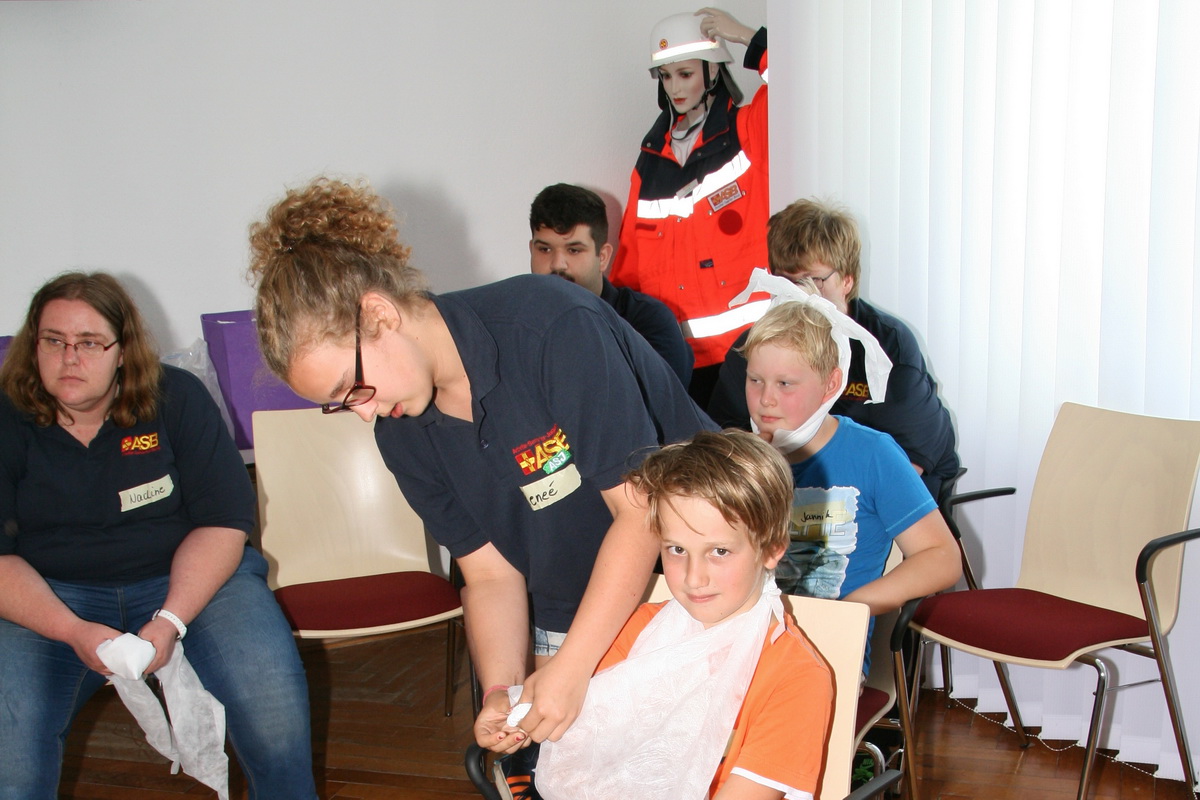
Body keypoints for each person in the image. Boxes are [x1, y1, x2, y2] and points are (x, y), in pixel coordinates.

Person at [246, 176, 715, 755]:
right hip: (572, 601)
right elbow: (490, 574)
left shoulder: (549, 327)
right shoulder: (401, 431)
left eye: (354, 388)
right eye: (343, 406)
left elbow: (640, 511)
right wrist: (502, 688)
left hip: (704, 575)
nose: (364, 415)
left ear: (379, 314)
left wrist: (569, 669)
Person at [0, 272, 317, 800]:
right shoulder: (6, 417)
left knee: (275, 712)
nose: (68, 358)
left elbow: (222, 523)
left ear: (123, 350)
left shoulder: (177, 398)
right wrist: (73, 629)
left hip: (192, 579)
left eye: (89, 343)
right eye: (52, 341)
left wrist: (170, 620)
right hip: (48, 592)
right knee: (12, 757)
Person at [528, 429, 833, 800]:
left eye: (719, 551)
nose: (693, 577)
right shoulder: (637, 629)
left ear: (771, 550)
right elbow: (584, 737)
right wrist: (514, 715)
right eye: (676, 549)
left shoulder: (797, 679)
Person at [740, 288, 961, 671]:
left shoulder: (872, 454)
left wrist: (853, 609)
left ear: (830, 384)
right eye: (755, 380)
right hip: (745, 643)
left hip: (824, 656)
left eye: (785, 384)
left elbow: (941, 558)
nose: (765, 400)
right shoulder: (738, 456)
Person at [708, 198, 961, 500]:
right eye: (786, 282)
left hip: (885, 501)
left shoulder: (887, 348)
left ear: (847, 281)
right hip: (790, 497)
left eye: (815, 279)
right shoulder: (753, 349)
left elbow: (905, 467)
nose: (801, 294)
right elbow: (726, 444)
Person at [609, 7, 771, 407]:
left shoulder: (747, 132)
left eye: (685, 73)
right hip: (678, 362)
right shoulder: (650, 163)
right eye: (666, 76)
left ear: (712, 72)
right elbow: (629, 267)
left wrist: (749, 37)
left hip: (751, 350)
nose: (675, 87)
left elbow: (800, 86)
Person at [529, 183, 693, 386]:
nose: (557, 264)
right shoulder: (513, 323)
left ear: (603, 257)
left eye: (574, 250)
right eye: (544, 249)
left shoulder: (647, 321)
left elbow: (661, 408)